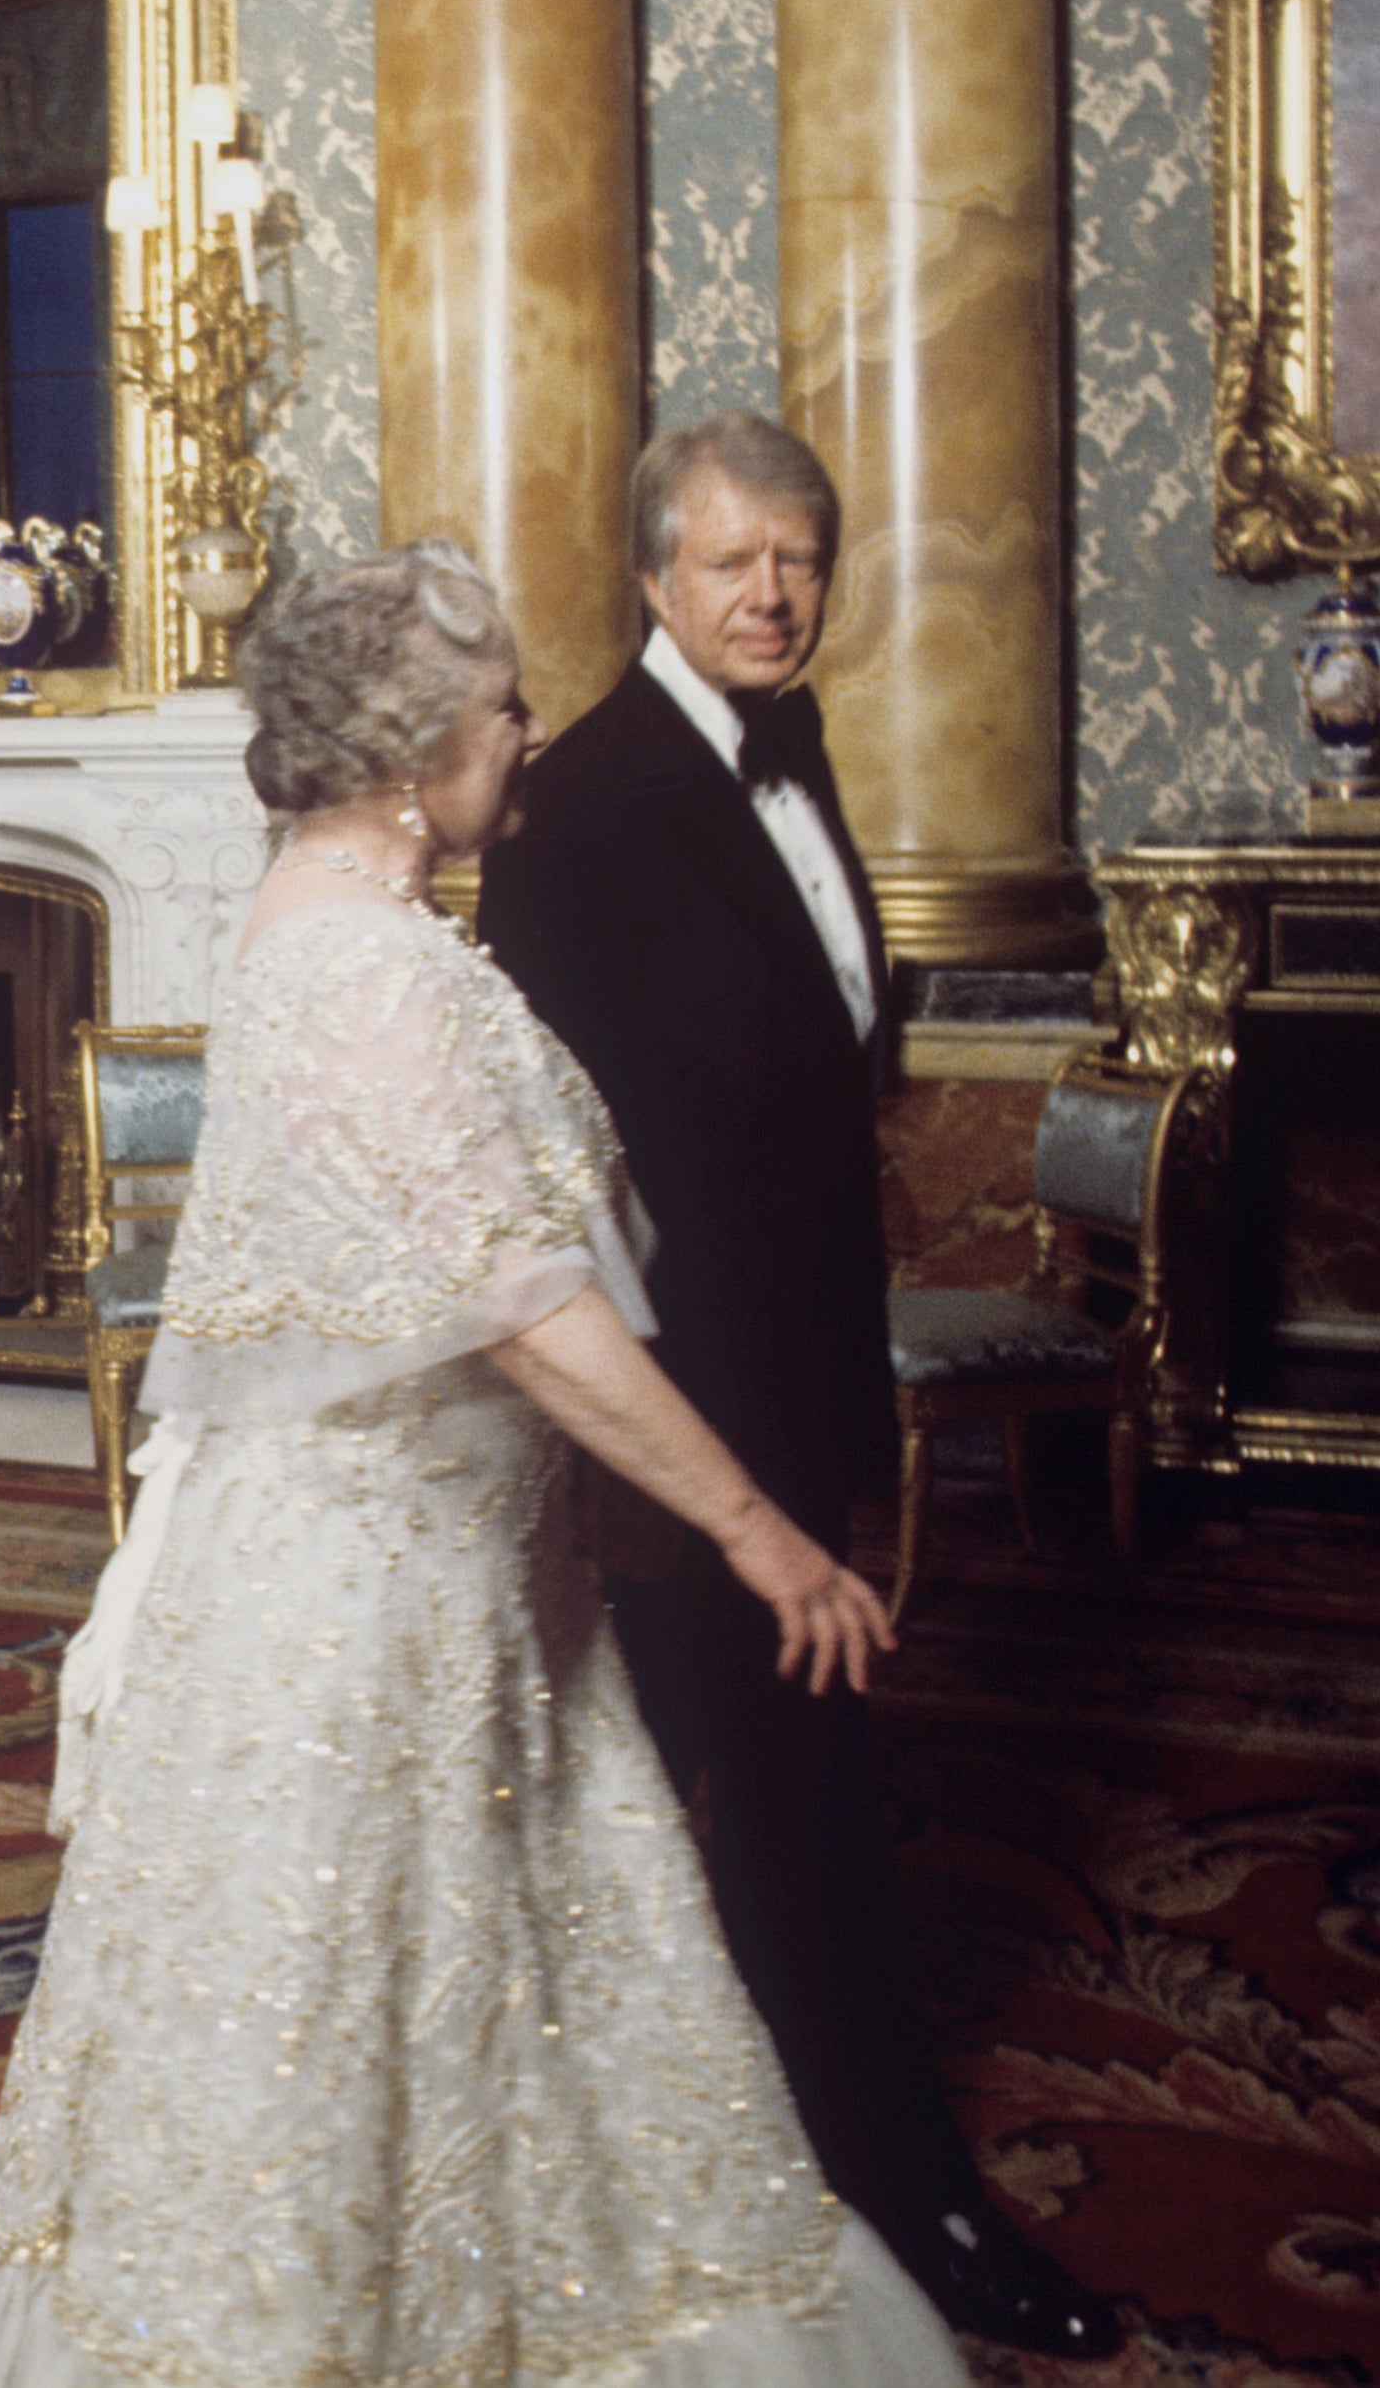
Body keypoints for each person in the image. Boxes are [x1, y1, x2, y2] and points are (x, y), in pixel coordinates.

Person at [0, 548, 951, 2387]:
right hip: (362, 1615)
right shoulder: (367, 969)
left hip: (458, 1579)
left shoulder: (352, 919)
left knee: (491, 2001)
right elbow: (523, 1311)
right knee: (342, 2026)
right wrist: (758, 1531)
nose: (527, 729)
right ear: (407, 750)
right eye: (503, 705)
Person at [476, 412, 1116, 2358]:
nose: (769, 593)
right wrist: (686, 1471)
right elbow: (562, 1175)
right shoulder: (572, 806)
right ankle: (900, 2188)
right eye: (734, 561)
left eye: (799, 562)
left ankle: (763, 2118)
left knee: (763, 1793)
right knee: (789, 1803)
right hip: (677, 1415)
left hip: (798, 1372)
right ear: (650, 579)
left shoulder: (796, 746)